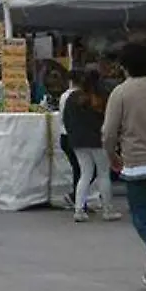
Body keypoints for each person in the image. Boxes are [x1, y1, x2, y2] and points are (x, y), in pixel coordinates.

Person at [102, 42, 146, 288]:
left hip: (137, 165)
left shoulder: (121, 93)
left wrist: (112, 156)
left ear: (124, 66)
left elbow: (109, 133)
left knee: (143, 218)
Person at [64, 71, 121, 223]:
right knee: (103, 174)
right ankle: (108, 209)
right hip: (98, 140)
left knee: (85, 174)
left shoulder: (72, 97)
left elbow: (66, 119)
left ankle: (79, 210)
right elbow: (109, 120)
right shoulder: (101, 97)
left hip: (78, 141)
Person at [58, 71, 89, 208]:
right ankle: (77, 198)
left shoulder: (65, 95)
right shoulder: (78, 96)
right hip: (74, 136)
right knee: (83, 169)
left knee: (79, 169)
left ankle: (78, 199)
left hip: (65, 135)